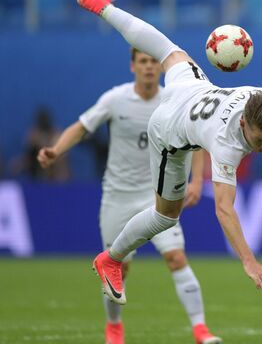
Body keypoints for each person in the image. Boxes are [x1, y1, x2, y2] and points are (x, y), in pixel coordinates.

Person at [76, 0, 262, 337]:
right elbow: (224, 210)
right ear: (243, 124)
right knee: (166, 215)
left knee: (169, 51)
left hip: (193, 88)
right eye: (258, 140)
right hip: (167, 131)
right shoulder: (226, 144)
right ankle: (110, 259)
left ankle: (100, 4)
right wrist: (249, 261)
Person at [37, 47, 218, 344]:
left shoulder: (174, 100)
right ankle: (114, 327)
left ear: (161, 69)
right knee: (118, 267)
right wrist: (56, 150)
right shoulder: (115, 99)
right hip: (117, 198)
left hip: (157, 198)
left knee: (176, 257)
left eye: (152, 62)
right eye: (142, 62)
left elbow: (194, 141)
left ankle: (201, 330)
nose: (148, 67)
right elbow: (82, 128)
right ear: (133, 66)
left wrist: (197, 181)